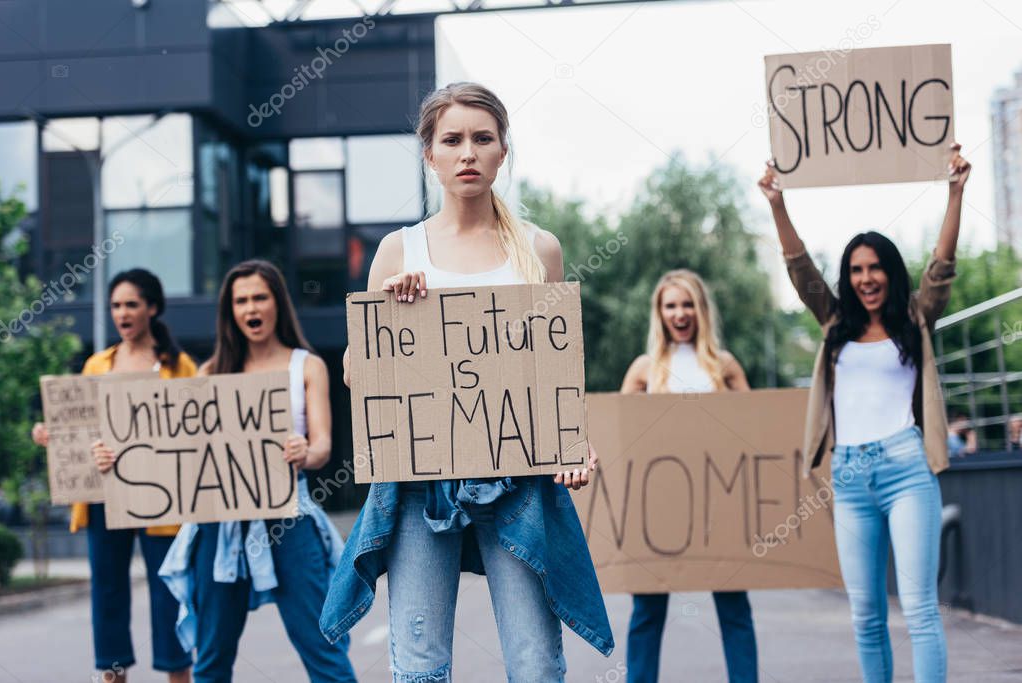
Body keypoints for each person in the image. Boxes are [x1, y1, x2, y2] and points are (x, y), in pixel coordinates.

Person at [318, 82, 612, 682]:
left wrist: (573, 443)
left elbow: (553, 371)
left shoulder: (538, 249)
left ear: (504, 150)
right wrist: (391, 311)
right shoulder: (399, 251)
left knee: (536, 662)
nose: (468, 152)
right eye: (452, 140)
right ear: (430, 154)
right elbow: (356, 373)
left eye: (483, 138)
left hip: (519, 479)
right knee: (420, 665)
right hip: (420, 482)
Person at [759, 143, 971, 683]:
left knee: (920, 611)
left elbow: (942, 268)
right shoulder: (834, 324)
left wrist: (955, 192)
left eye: (876, 268)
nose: (866, 278)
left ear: (890, 272)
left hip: (906, 468)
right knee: (866, 615)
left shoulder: (914, 318)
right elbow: (798, 268)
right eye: (856, 269)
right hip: (850, 476)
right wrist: (777, 204)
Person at [109, 260, 355, 683]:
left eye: (260, 297)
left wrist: (305, 450)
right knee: (211, 659)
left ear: (277, 302)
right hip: (219, 524)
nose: (250, 308)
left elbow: (323, 447)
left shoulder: (306, 365)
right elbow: (175, 454)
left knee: (323, 651)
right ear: (230, 310)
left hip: (288, 519)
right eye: (241, 300)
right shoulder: (210, 373)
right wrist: (113, 457)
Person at [32, 269, 194, 683]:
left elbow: (195, 432)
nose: (122, 313)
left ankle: (179, 674)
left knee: (169, 592)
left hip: (162, 497)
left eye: (131, 305)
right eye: (116, 305)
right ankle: (112, 674)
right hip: (105, 494)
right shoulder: (97, 364)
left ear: (152, 308)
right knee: (107, 593)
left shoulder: (179, 367)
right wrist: (53, 436)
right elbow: (80, 430)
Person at [621, 270, 759, 682]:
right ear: (659, 313)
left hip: (721, 505)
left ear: (700, 310)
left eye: (687, 305)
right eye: (670, 305)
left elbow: (755, 432)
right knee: (647, 610)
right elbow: (622, 436)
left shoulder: (725, 366)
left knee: (734, 606)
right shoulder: (644, 370)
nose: (679, 314)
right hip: (659, 509)